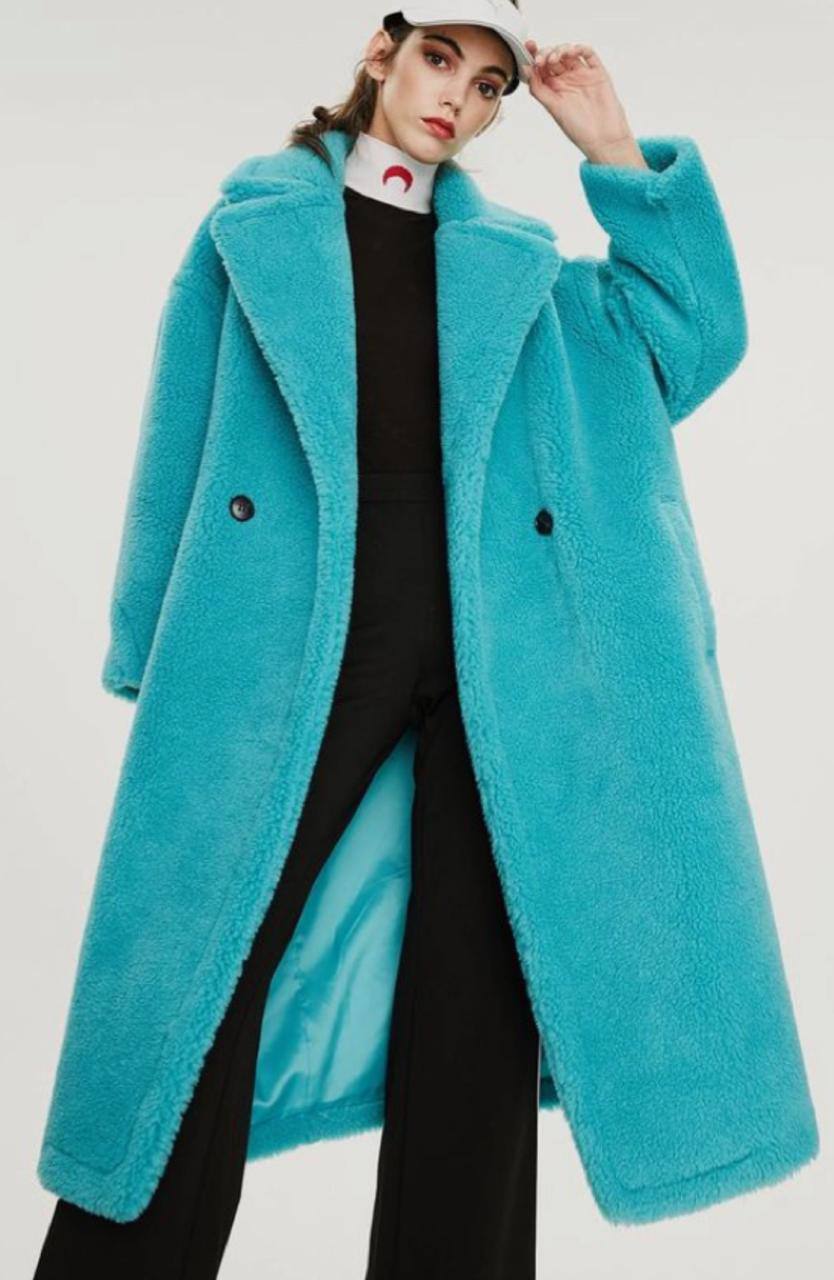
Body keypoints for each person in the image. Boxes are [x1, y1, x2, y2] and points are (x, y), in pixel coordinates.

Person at [33, 1, 819, 1277]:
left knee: (479, 1003)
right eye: (441, 59)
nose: (458, 95)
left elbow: (693, 336)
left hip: (493, 651)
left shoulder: (530, 276)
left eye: (490, 83)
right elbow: (177, 436)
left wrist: (611, 148)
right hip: (290, 636)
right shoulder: (249, 231)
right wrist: (147, 646)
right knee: (197, 982)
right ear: (381, 52)